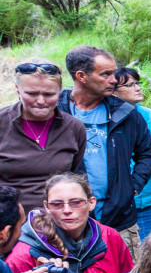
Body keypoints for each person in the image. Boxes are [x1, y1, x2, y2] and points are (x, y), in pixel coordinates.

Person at [57, 46, 151, 232]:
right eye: (106, 74)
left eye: (113, 73)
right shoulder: (55, 113)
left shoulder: (125, 113)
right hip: (67, 221)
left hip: (120, 220)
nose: (113, 80)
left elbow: (149, 154)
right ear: (81, 76)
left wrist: (131, 188)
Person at [7, 173, 132, 273]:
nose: (67, 210)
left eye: (76, 202)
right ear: (46, 206)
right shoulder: (25, 254)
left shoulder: (109, 237)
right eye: (57, 204)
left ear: (91, 203)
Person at [0, 59, 86, 213]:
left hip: (59, 220)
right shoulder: (2, 123)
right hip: (9, 224)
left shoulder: (74, 128)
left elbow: (75, 175)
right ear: (17, 88)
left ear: (60, 89)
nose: (40, 101)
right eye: (31, 94)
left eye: (49, 94)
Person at [113, 68, 151, 241]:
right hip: (118, 200)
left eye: (137, 83)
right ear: (112, 90)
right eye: (129, 85)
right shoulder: (105, 118)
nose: (137, 88)